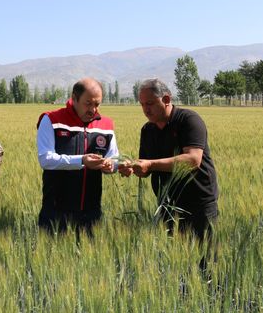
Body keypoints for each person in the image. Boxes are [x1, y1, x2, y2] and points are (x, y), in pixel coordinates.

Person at [119, 79, 219, 244]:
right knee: (175, 262)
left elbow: (193, 160)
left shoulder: (188, 120)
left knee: (205, 261)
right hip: (167, 205)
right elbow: (146, 168)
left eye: (150, 103)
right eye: (142, 104)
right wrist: (133, 167)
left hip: (199, 204)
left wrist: (150, 164)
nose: (145, 109)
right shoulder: (148, 130)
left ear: (166, 100)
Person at [36, 78, 119, 234]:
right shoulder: (51, 120)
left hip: (92, 211)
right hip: (56, 210)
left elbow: (114, 158)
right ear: (74, 98)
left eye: (97, 104)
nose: (93, 110)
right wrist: (81, 160)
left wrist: (110, 165)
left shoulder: (106, 125)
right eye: (88, 103)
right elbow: (45, 159)